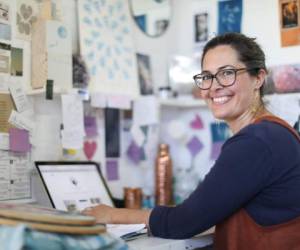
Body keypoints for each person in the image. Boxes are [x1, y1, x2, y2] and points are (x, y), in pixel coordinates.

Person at [83, 33, 300, 249]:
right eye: (207, 77)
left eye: (226, 73)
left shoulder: (256, 141)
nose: (213, 86)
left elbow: (184, 222)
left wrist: (111, 214)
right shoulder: (273, 132)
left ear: (259, 78)